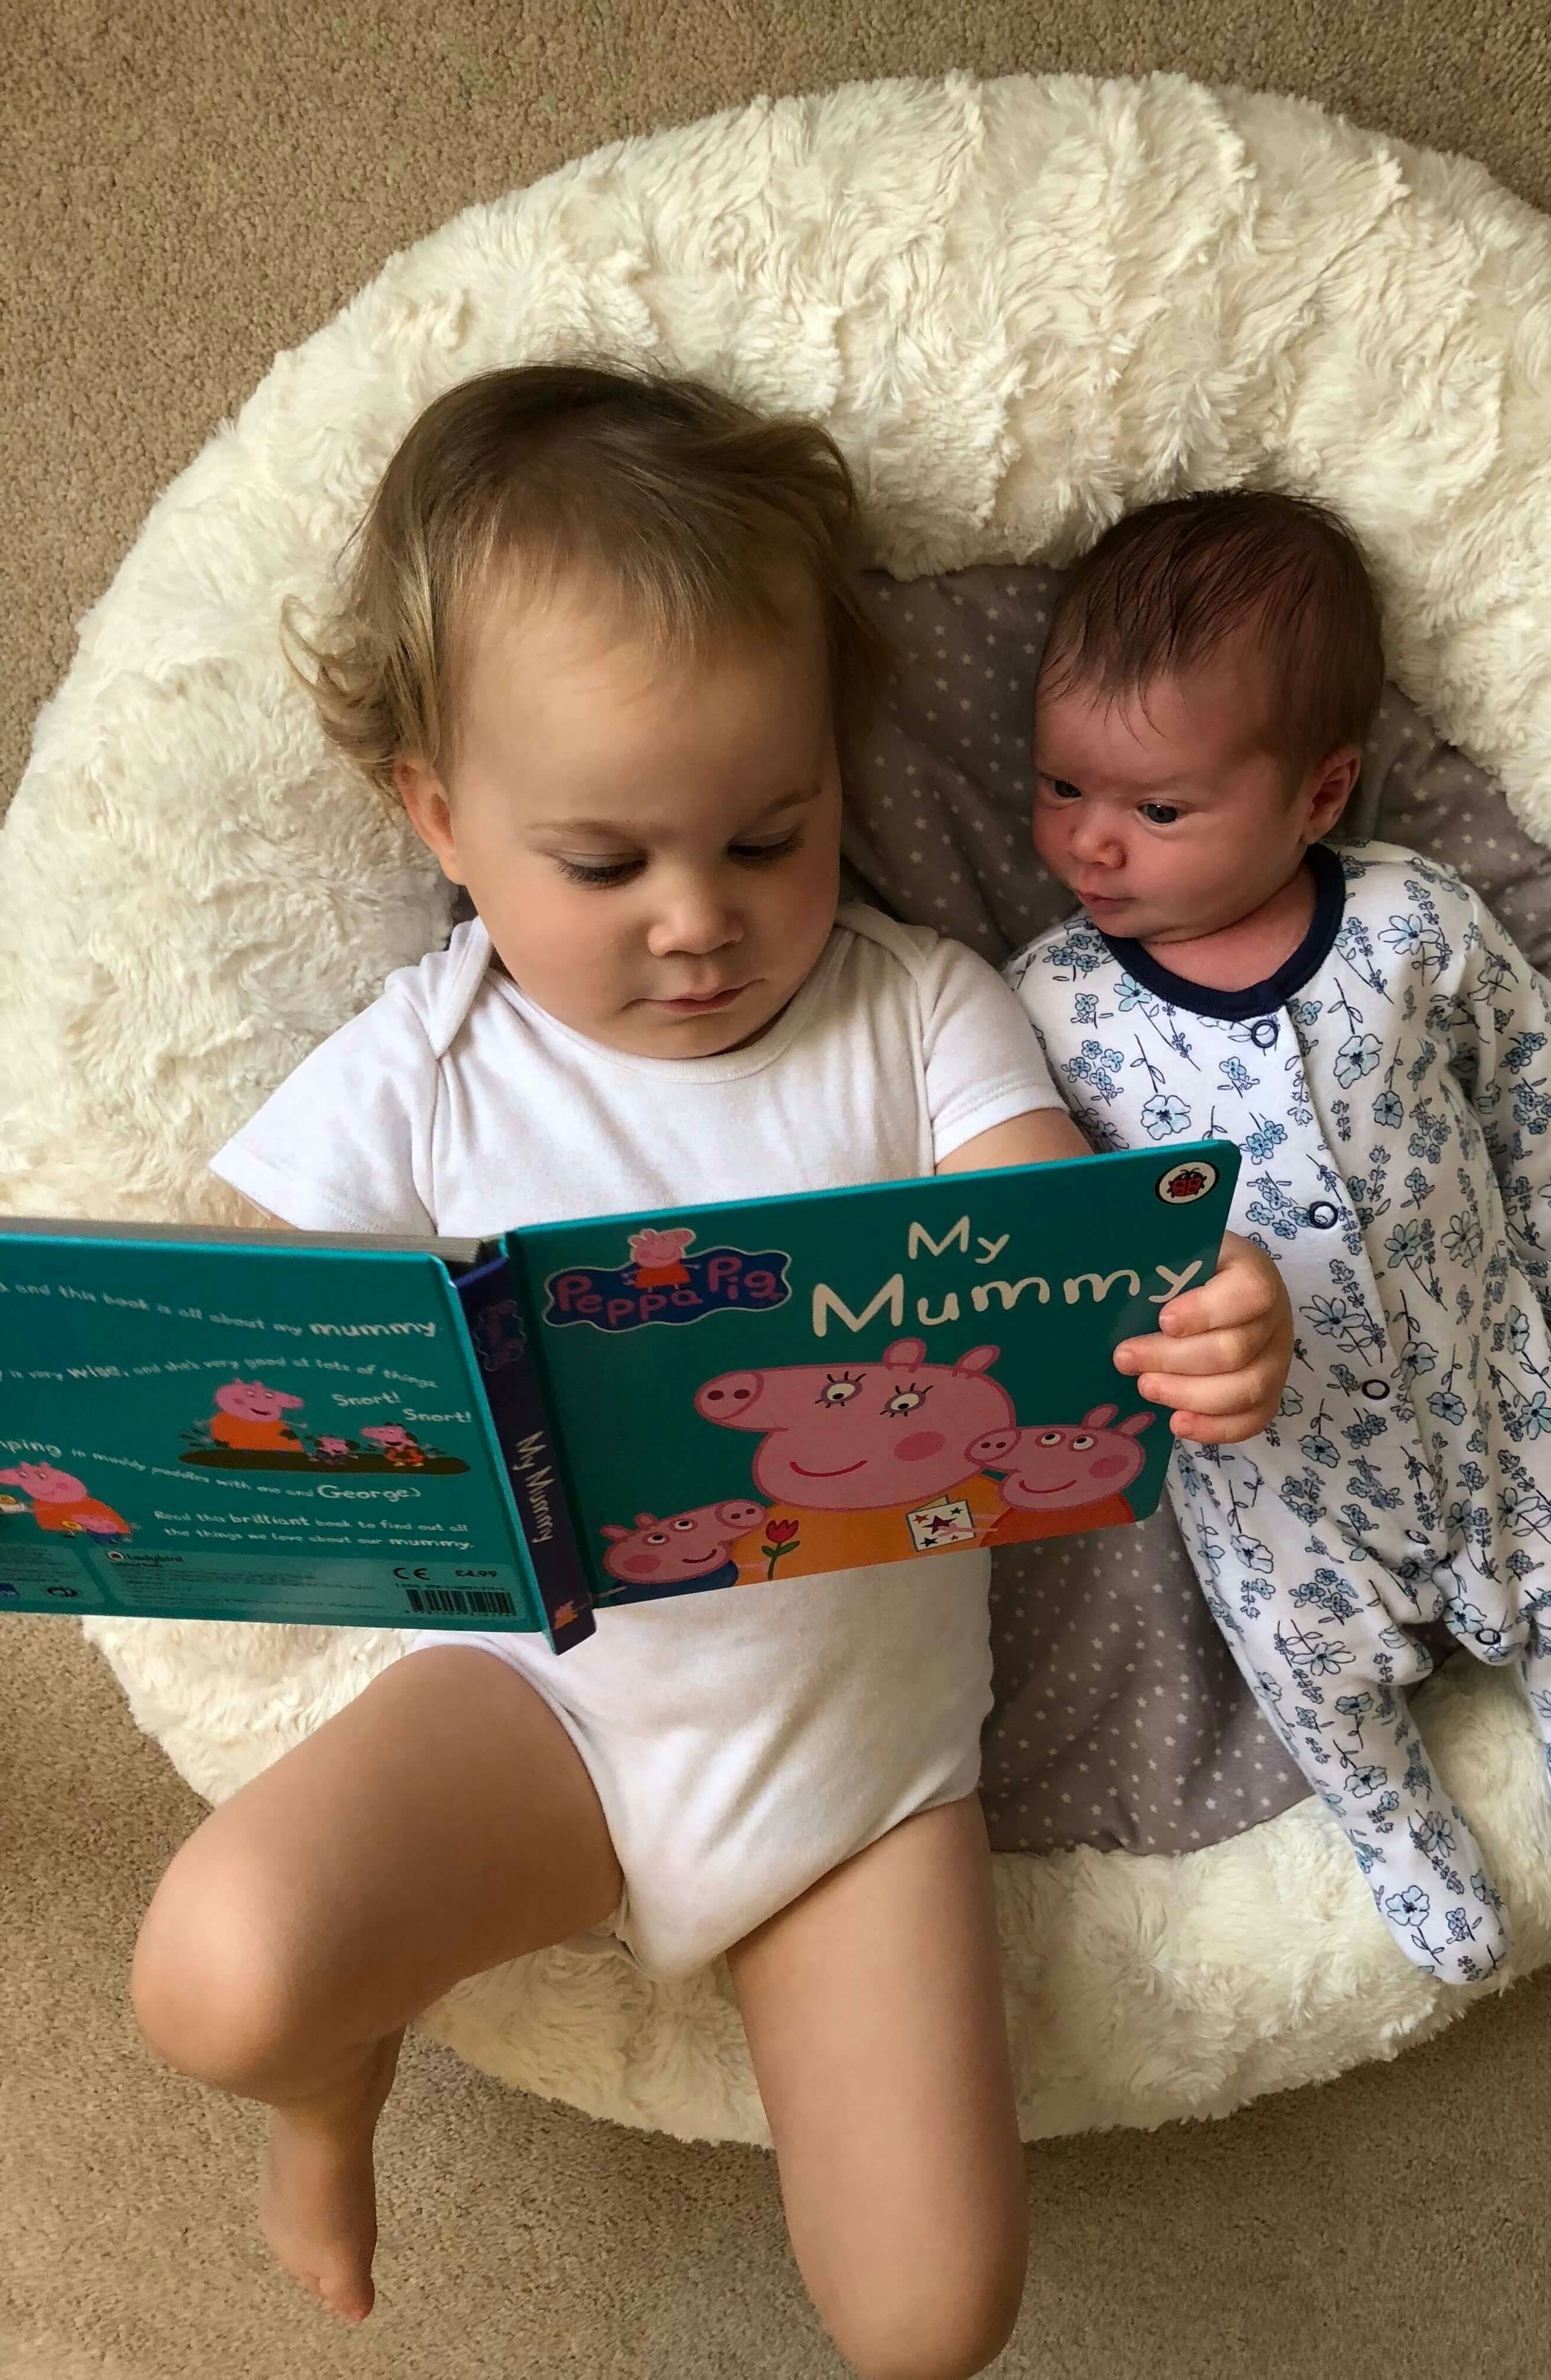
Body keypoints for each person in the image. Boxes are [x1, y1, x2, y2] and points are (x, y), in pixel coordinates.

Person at [127, 366, 1295, 2380]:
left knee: (933, 2317)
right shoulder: (428, 1060)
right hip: (542, 1716)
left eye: (770, 834)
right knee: (215, 1982)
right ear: (442, 821)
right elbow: (236, 1334)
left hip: (860, 1779)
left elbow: (1059, 1270)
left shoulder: (917, 1012)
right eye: (601, 865)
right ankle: (336, 2091)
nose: (697, 922)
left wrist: (1199, 1318)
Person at [1006, 492, 1551, 1988]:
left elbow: (1532, 1060)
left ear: (1317, 797)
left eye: (1157, 810)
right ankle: (1397, 1826)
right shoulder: (1054, 1002)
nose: (1092, 845)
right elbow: (1026, 1222)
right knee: (1312, 1674)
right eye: (1061, 789)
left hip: (1490, 1380)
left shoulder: (1405, 920)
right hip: (1272, 1460)